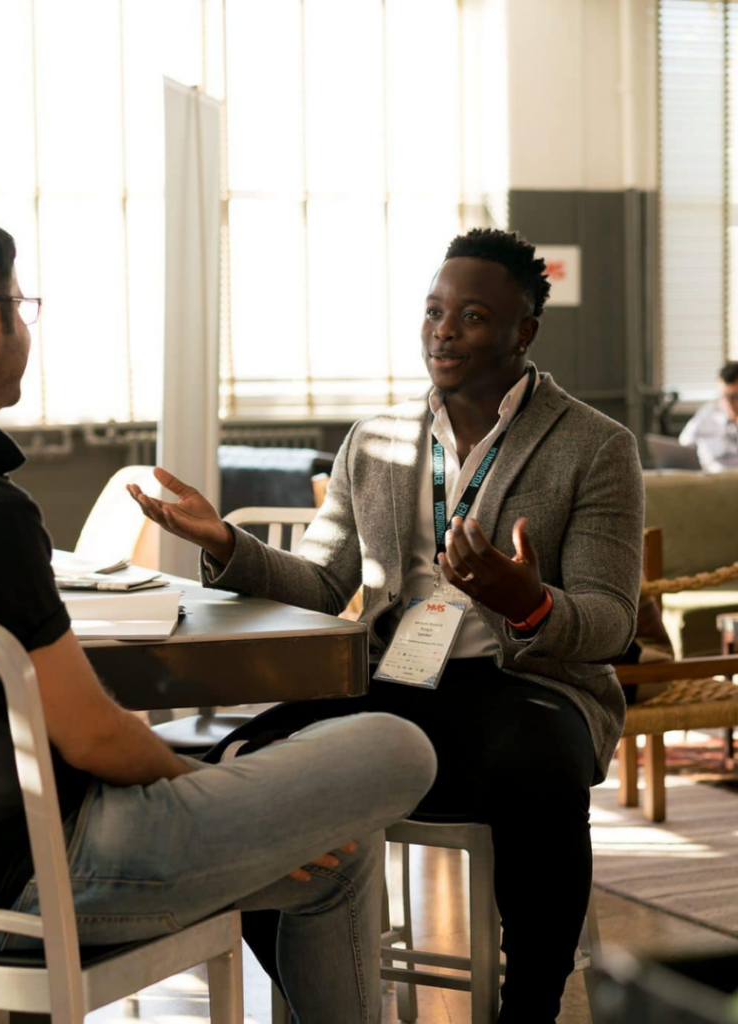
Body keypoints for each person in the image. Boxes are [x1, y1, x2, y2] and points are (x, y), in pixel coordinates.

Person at [0, 200, 437, 1024]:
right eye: (22, 307)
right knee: (396, 743)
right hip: (54, 877)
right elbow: (90, 734)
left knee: (337, 854)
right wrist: (206, 784)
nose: (23, 326)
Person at [129, 228, 645, 1024]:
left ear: (524, 333)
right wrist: (228, 544)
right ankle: (319, 999)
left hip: (530, 685)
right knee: (253, 760)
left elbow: (611, 622)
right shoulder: (373, 441)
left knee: (536, 764)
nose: (443, 330)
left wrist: (526, 602)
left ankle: (531, 1006)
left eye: (472, 315)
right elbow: (326, 582)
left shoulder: (595, 446)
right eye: (434, 311)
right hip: (397, 680)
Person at [679, 361, 738, 470]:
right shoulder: (708, 412)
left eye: (734, 396)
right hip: (706, 477)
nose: (729, 402)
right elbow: (684, 443)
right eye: (724, 396)